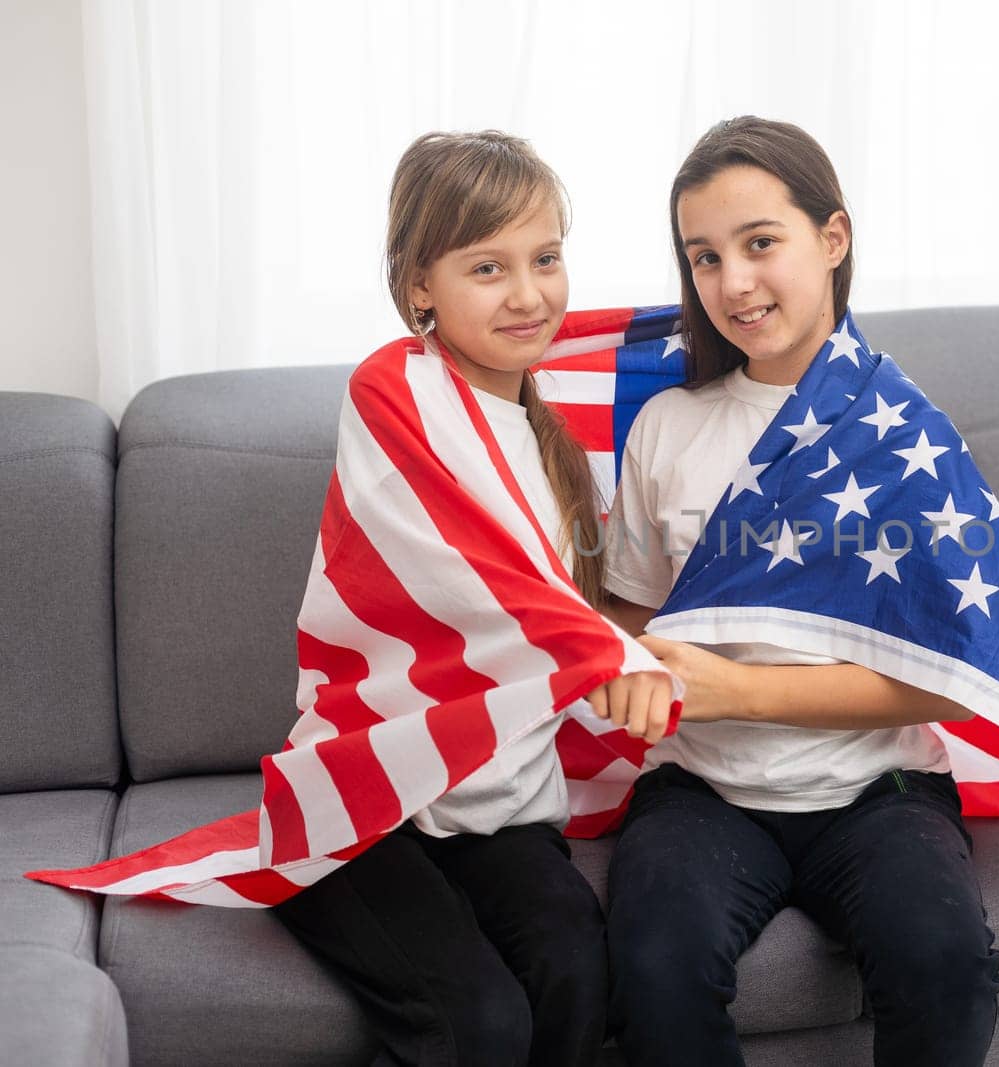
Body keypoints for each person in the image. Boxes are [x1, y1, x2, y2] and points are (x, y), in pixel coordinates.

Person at [603, 117, 999, 1067]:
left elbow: (953, 678)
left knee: (946, 961)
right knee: (652, 969)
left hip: (880, 787)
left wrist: (740, 689)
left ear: (833, 239)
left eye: (759, 244)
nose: (732, 282)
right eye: (703, 257)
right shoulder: (667, 424)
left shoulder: (902, 428)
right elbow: (629, 608)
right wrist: (617, 658)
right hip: (700, 790)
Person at [270, 130, 675, 1067]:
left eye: (546, 258)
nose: (529, 295)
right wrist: (612, 656)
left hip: (502, 797)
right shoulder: (394, 392)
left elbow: (592, 601)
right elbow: (480, 571)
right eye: (487, 266)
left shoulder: (556, 445)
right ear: (419, 285)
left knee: (579, 977)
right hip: (372, 797)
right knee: (481, 1026)